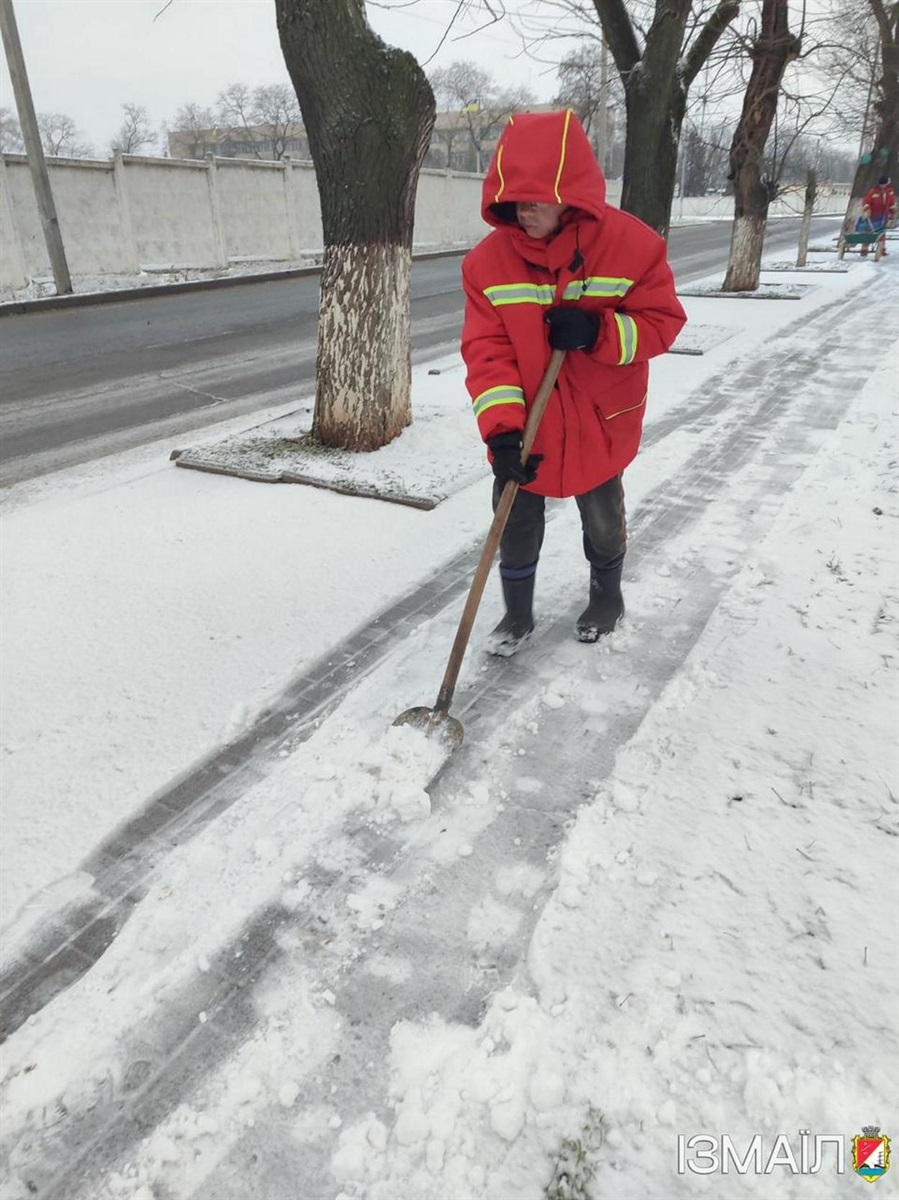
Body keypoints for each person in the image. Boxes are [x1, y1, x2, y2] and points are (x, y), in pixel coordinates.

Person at [461, 109, 687, 656]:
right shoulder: (487, 265)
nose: (524, 208)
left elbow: (663, 323)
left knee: (602, 517)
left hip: (597, 420)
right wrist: (501, 433)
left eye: (538, 196)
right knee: (513, 518)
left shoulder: (632, 247)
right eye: (515, 196)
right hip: (528, 422)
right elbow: (486, 351)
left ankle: (606, 596)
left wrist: (598, 333)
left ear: (572, 193)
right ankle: (517, 614)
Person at [858, 175, 896, 256]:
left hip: (884, 216)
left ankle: (882, 249)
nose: (882, 186)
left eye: (884, 184)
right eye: (881, 184)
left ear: (887, 184)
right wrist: (867, 208)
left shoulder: (890, 192)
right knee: (869, 231)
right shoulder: (873, 192)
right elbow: (866, 201)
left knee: (882, 232)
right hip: (873, 215)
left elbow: (891, 204)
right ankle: (864, 249)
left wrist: (892, 212)